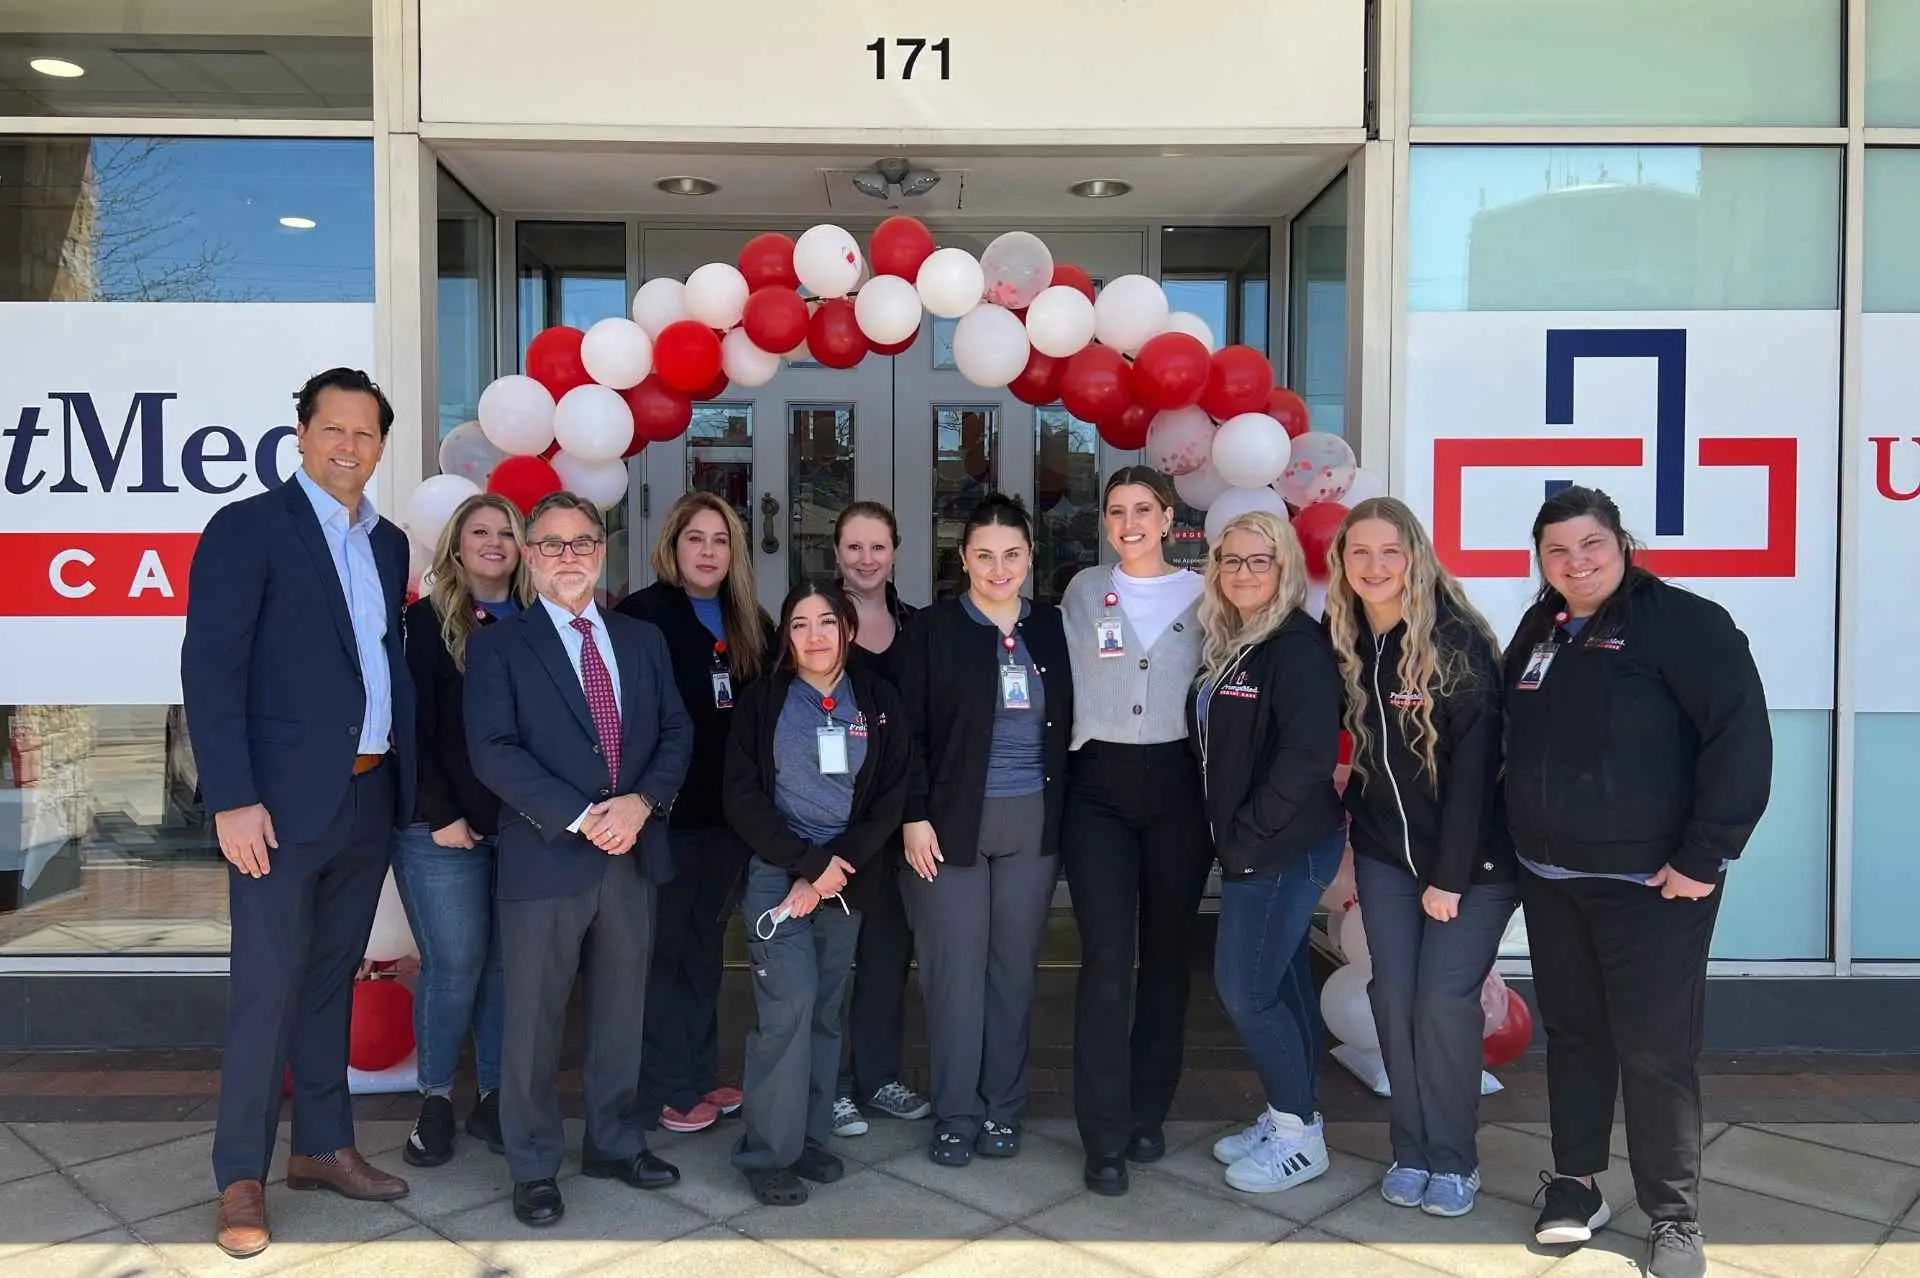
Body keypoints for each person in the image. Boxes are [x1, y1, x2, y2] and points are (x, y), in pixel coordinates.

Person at [1503, 486, 1770, 1278]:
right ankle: (1578, 1184)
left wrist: (1705, 855)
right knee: (1576, 1035)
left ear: (1623, 544)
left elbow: (1739, 738)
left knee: (1656, 1050)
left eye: (1590, 545)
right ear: (1541, 561)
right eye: (1557, 551)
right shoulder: (1540, 628)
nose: (1575, 563)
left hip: (1654, 884)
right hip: (1552, 879)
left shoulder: (1686, 624)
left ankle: (1675, 1215)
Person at [181, 367, 417, 1259]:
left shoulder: (387, 543)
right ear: (302, 435)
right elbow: (211, 671)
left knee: (328, 984)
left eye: (365, 434)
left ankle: (322, 1147)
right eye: (333, 430)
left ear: (382, 447)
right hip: (275, 810)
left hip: (367, 795)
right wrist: (233, 799)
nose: (348, 447)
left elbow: (379, 663)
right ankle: (240, 1174)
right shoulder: (248, 530)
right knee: (265, 991)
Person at [463, 491, 694, 1229]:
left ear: (600, 553)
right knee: (533, 1021)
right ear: (530, 558)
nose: (569, 557)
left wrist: (641, 804)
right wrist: (581, 814)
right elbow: (493, 751)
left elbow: (675, 732)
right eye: (553, 545)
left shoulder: (640, 640)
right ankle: (533, 1164)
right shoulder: (501, 643)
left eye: (581, 543)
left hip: (629, 854)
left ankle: (614, 1141)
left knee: (622, 1012)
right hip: (547, 857)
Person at [1323, 496, 1515, 1218]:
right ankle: (1411, 1148)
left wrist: (1449, 878)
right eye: (1359, 552)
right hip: (1383, 856)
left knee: (1441, 1003)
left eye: (1389, 551)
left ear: (1416, 557)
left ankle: (1455, 1158)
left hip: (1470, 865)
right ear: (1342, 562)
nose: (1375, 567)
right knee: (1391, 1000)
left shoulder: (1454, 640)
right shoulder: (1342, 638)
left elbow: (1473, 779)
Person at [722, 582, 913, 1205]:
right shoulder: (763, 701)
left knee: (825, 1010)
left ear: (848, 630)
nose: (815, 635)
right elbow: (742, 797)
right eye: (800, 624)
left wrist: (838, 866)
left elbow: (889, 796)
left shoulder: (877, 699)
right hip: (780, 876)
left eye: (827, 622)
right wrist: (806, 866)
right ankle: (765, 1152)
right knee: (788, 1008)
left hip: (846, 881)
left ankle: (804, 1137)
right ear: (786, 637)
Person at [897, 493, 1072, 1167]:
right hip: (949, 826)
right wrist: (913, 814)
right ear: (963, 558)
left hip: (1032, 823)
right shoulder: (933, 631)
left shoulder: (1053, 629)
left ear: (1030, 557)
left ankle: (1003, 1108)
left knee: (1012, 974)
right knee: (953, 975)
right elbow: (905, 733)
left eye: (1013, 555)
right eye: (984, 555)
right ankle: (955, 1113)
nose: (999, 569)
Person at [1058, 466, 1211, 1196]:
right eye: (1116, 511)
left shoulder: (1208, 594)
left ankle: (1150, 1110)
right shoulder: (1084, 592)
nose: (1128, 522)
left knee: (1168, 958)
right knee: (1107, 960)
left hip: (1180, 787)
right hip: (1100, 792)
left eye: (1142, 509)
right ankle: (1104, 1132)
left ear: (1168, 516)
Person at [1190, 510, 1345, 1196]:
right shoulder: (1240, 640)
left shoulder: (1297, 647)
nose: (1243, 573)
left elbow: (1307, 759)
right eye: (1231, 561)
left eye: (1260, 561)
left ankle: (1299, 1139)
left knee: (1245, 991)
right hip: (1259, 842)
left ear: (1284, 569)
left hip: (1282, 846)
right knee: (1278, 984)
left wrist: (1249, 835)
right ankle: (1292, 1111)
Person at [616, 492, 773, 1135]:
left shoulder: (750, 621)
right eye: (695, 539)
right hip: (663, 818)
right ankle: (661, 1088)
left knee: (705, 951)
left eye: (719, 540)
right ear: (672, 547)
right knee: (664, 954)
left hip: (727, 819)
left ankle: (700, 1075)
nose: (707, 551)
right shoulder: (641, 616)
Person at [395, 492, 534, 1167]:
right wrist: (440, 813)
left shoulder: (543, 623)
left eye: (507, 531)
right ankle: (435, 1103)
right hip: (441, 830)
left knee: (508, 969)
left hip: (525, 831)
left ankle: (497, 1100)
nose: (494, 541)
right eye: (480, 531)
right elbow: (411, 731)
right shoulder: (424, 626)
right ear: (456, 545)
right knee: (455, 967)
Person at [829, 500, 932, 1135]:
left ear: (895, 552)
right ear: (836, 552)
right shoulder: (811, 619)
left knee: (889, 954)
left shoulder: (918, 627)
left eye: (877, 547)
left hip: (898, 818)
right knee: (833, 958)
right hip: (831, 821)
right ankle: (832, 1082)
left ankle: (878, 1077)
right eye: (854, 547)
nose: (866, 559)